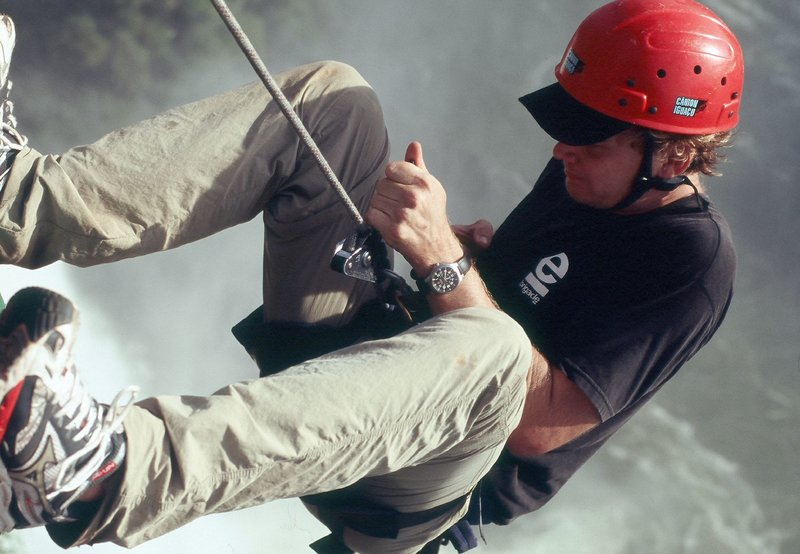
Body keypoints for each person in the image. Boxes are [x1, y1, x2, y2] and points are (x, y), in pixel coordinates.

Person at [0, 0, 743, 552]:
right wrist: (464, 262)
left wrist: (441, 263)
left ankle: (102, 471)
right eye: (563, 125)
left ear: (673, 157)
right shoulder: (592, 178)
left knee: (496, 351)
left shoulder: (692, 264)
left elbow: (536, 424)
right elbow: (501, 304)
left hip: (419, 496)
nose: (561, 151)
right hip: (367, 380)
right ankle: (22, 201)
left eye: (588, 137)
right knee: (333, 100)